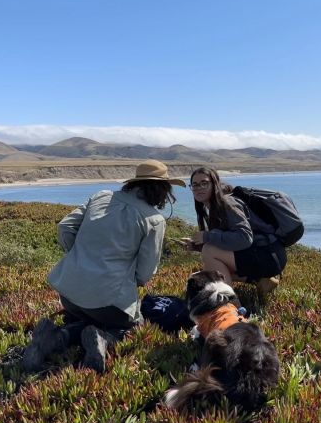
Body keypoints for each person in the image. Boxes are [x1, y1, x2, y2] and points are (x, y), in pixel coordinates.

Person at [22, 159, 185, 373]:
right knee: (131, 327)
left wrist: (80, 257)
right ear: (162, 190)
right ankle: (103, 338)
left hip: (68, 293)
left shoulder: (101, 196)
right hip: (107, 302)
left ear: (134, 183)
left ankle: (54, 337)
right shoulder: (154, 220)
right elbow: (145, 273)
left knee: (88, 315)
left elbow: (65, 227)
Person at [182, 167, 287, 296]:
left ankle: (231, 304)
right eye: (195, 185)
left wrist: (208, 237)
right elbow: (227, 243)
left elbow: (244, 238)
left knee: (209, 253)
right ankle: (262, 281)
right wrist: (197, 245)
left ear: (214, 184)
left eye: (204, 183)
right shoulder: (215, 205)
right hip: (267, 253)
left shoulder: (227, 203)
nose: (199, 188)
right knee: (209, 268)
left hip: (269, 256)